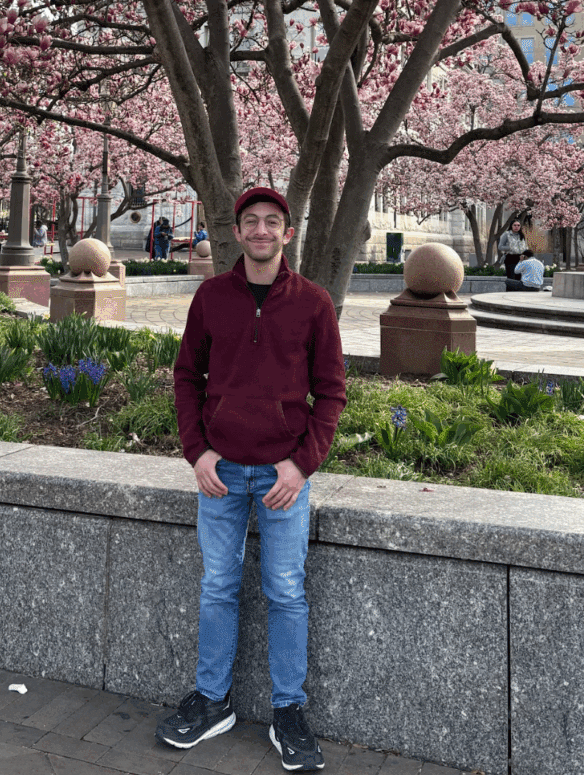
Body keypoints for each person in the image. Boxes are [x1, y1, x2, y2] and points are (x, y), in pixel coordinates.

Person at [159, 187, 346, 772]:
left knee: (286, 590)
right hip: (221, 472)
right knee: (218, 585)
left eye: (273, 222)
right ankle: (213, 701)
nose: (261, 231)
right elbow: (187, 377)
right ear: (235, 233)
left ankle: (288, 709)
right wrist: (198, 452)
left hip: (281, 475)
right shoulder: (212, 297)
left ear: (288, 234)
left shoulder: (313, 303)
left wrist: (301, 464)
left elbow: (332, 393)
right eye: (251, 223)